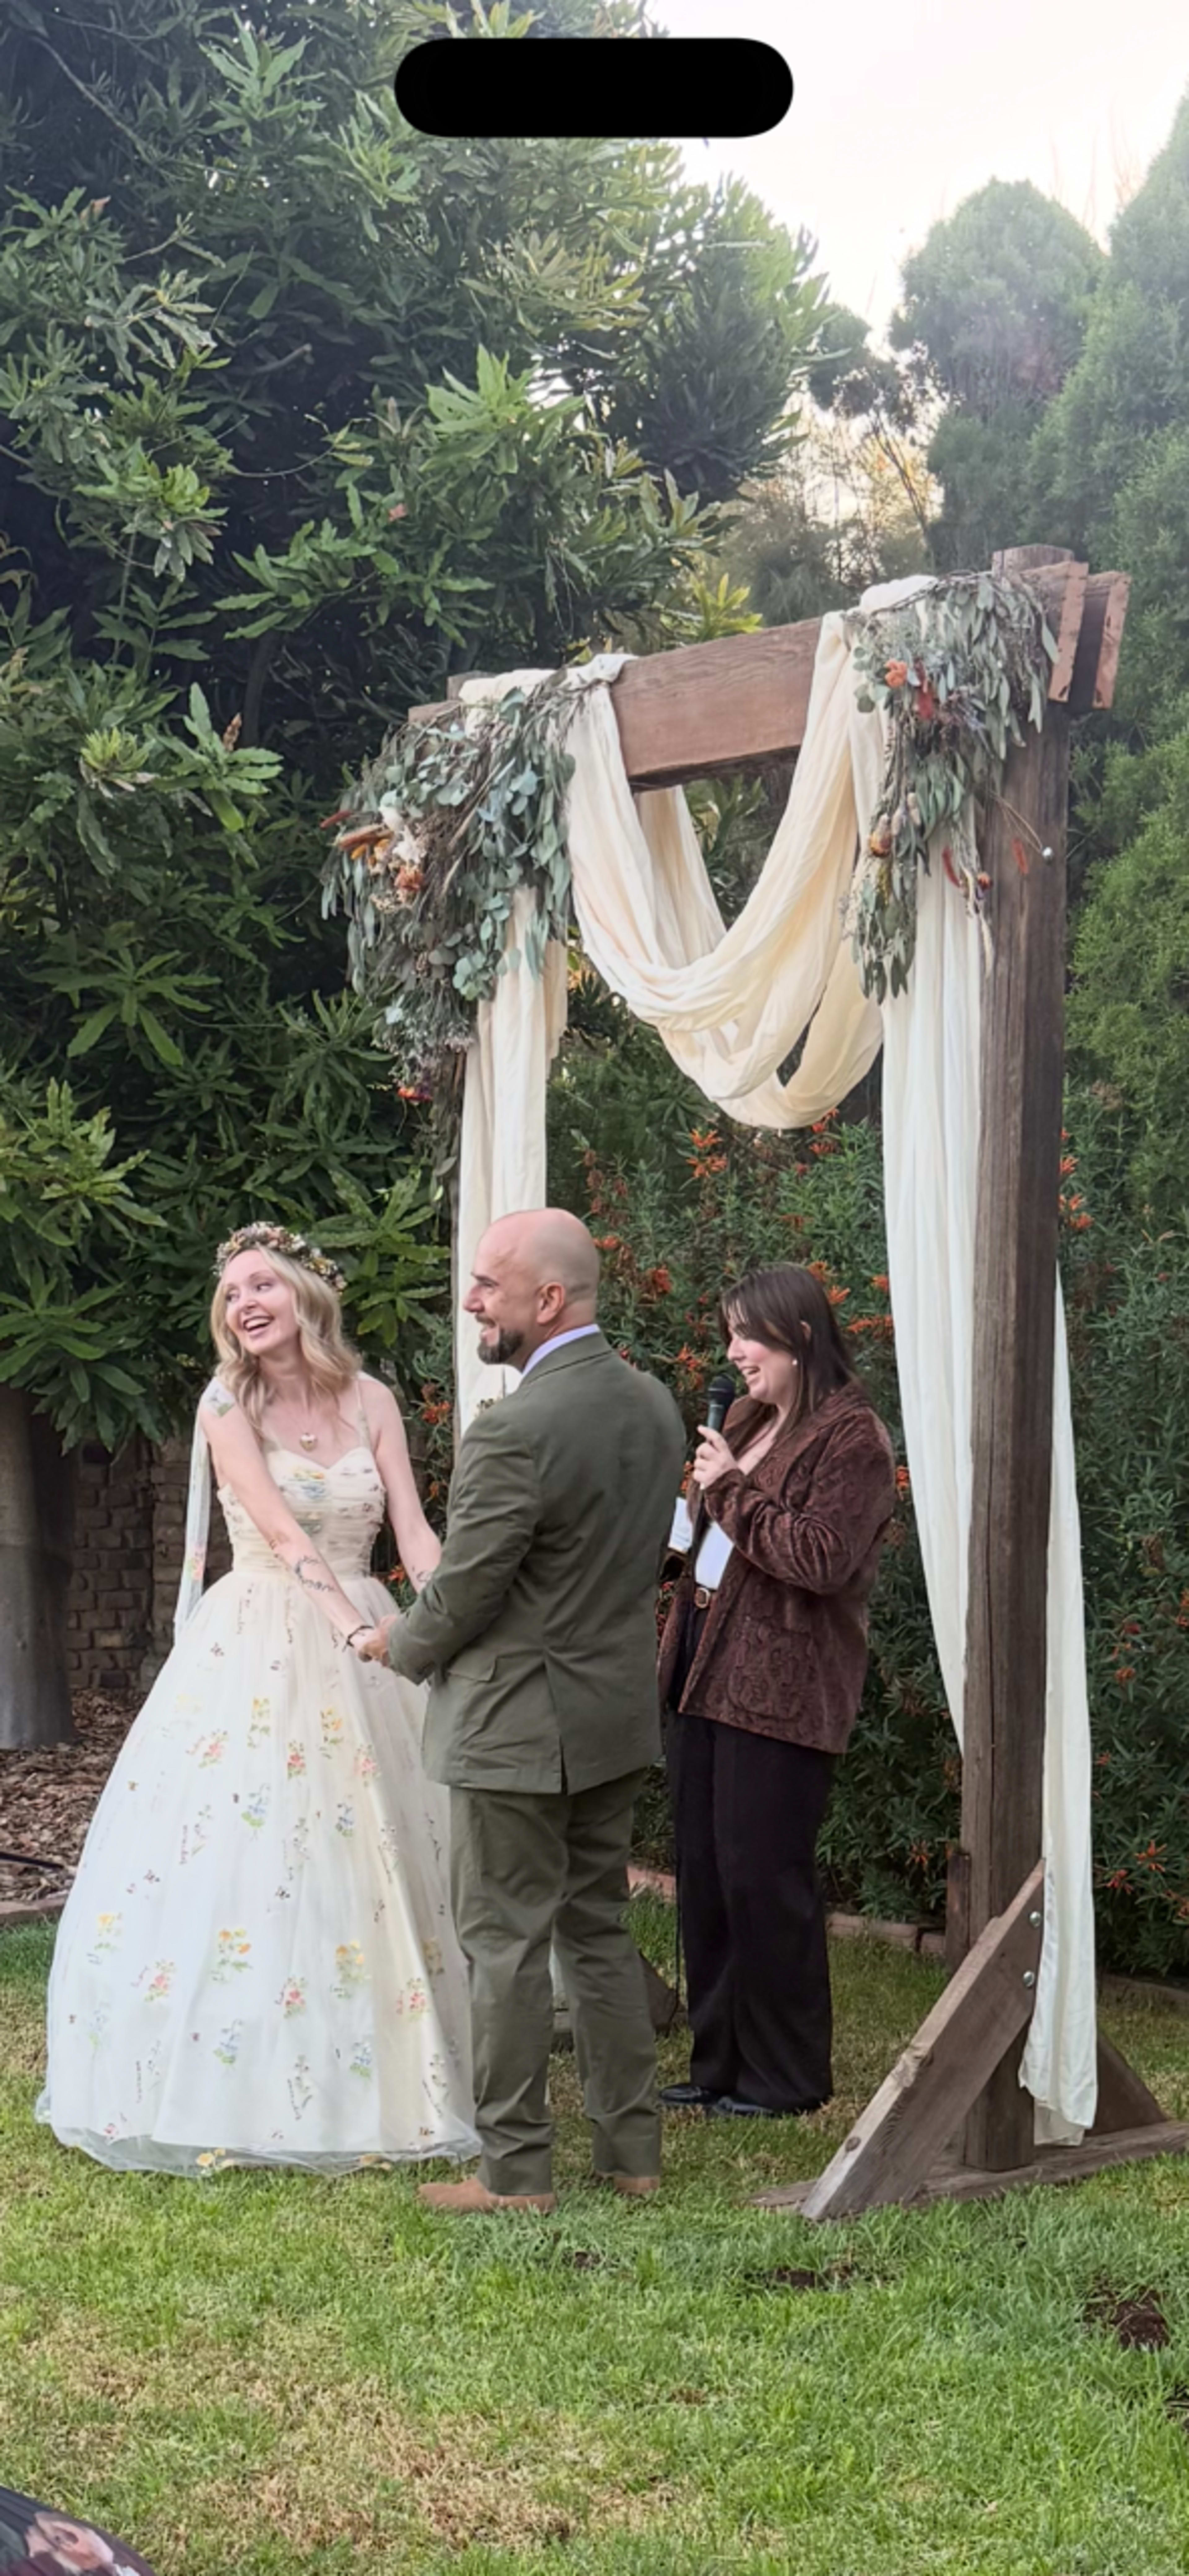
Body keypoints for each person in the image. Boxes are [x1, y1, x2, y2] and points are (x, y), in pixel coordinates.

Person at [37, 1221, 478, 2176]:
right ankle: (235, 2066)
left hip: (369, 1618)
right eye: (231, 1293)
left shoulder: (373, 1401)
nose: (244, 1304)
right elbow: (281, 1534)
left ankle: (391, 2062)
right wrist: (353, 1632)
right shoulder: (223, 1404)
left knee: (378, 1845)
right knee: (261, 1842)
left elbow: (412, 1527)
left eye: (261, 1286)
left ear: (306, 1298)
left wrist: (445, 1622)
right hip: (267, 1637)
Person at [354, 1207, 686, 2215]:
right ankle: (633, 2157)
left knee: (501, 1945)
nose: (471, 1302)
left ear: (549, 1300)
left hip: (512, 1731)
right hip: (613, 1714)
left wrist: (395, 1645)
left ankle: (515, 2176)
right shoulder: (656, 1407)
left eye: (488, 1286)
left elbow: (467, 1591)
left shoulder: (515, 1430)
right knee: (595, 1932)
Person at [657, 1263, 895, 2119]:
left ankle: (787, 2078)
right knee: (708, 1875)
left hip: (782, 1687)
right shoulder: (750, 1418)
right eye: (730, 1336)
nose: (734, 1354)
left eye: (747, 1337)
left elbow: (822, 1559)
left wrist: (729, 1489)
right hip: (700, 1668)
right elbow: (704, 1531)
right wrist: (689, 1508)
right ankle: (718, 2064)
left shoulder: (853, 1439)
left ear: (798, 1337)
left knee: (765, 1879)